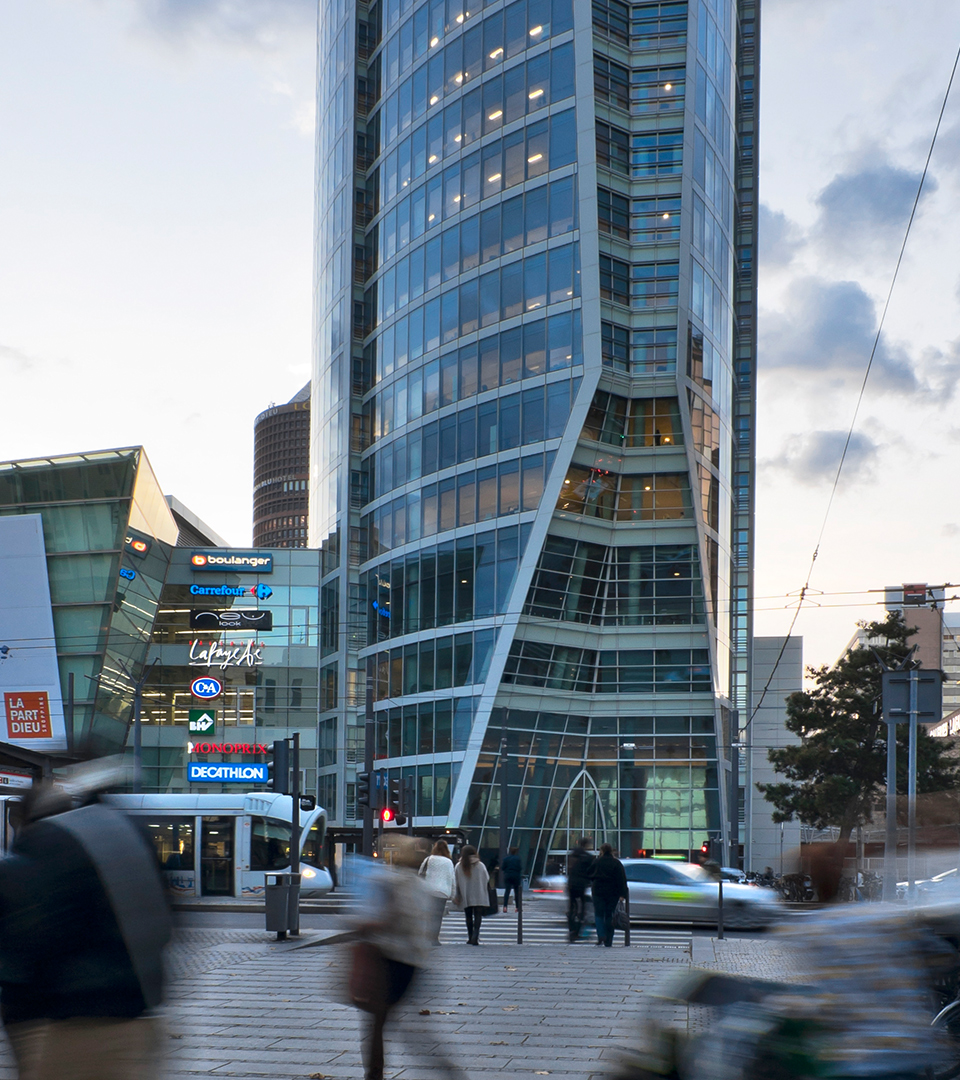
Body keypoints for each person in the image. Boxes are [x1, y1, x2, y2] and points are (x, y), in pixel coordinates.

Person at [0, 782, 172, 1080]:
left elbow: (31, 938)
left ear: (24, 820)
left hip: (71, 1020)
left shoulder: (42, 849)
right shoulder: (123, 836)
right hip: (137, 1012)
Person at [350, 838, 465, 1080]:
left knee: (380, 1024)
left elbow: (390, 918)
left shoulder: (394, 882)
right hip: (412, 964)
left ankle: (376, 1074)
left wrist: (364, 926)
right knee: (394, 1023)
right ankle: (443, 1067)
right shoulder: (421, 888)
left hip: (389, 961)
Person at [588, 843, 627, 948]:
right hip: (612, 892)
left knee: (599, 914)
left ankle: (601, 934)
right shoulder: (616, 863)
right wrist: (623, 894)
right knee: (610, 915)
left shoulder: (597, 862)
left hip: (598, 891)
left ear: (601, 851)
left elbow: (589, 874)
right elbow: (622, 879)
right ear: (611, 851)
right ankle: (609, 940)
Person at [418, 839, 455, 945]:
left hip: (429, 891)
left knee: (428, 915)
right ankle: (434, 939)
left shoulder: (428, 859)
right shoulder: (448, 862)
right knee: (438, 917)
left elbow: (420, 873)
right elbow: (452, 879)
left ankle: (427, 937)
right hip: (442, 892)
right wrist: (453, 894)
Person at [454, 845, 489, 946]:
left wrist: (457, 895)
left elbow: (456, 881)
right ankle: (475, 936)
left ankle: (470, 937)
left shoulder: (459, 866)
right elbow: (486, 878)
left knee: (468, 916)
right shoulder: (480, 865)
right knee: (478, 915)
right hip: (479, 893)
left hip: (466, 894)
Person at [567, 837, 594, 943]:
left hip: (572, 883)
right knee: (582, 909)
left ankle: (571, 930)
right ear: (586, 845)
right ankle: (577, 931)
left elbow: (570, 868)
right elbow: (590, 872)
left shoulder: (573, 854)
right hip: (582, 884)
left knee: (572, 907)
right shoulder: (588, 857)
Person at [501, 846, 523, 913]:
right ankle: (517, 907)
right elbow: (520, 868)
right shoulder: (518, 859)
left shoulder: (506, 859)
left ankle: (505, 907)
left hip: (508, 876)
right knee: (517, 892)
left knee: (507, 891)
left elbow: (502, 868)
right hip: (516, 876)